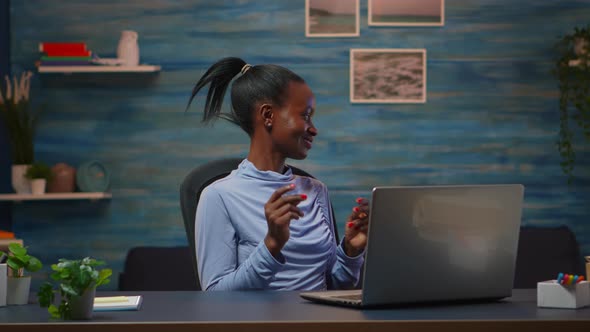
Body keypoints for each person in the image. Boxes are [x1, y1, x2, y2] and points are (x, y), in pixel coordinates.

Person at [186, 57, 369, 291]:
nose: (314, 129)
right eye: (305, 116)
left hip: (321, 325)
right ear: (268, 115)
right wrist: (271, 245)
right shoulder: (218, 196)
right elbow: (216, 297)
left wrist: (351, 252)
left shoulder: (316, 190)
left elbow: (333, 287)